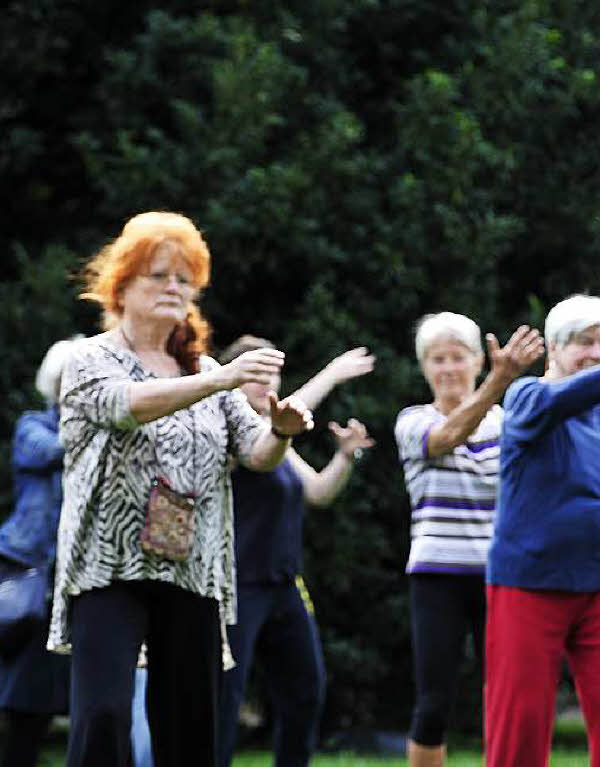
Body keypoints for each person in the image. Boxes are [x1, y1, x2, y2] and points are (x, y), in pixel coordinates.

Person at [48, 211, 313, 767]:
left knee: (190, 729)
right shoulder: (89, 360)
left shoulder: (205, 370)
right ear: (123, 285)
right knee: (103, 717)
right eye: (160, 275)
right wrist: (217, 379)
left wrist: (283, 433)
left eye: (184, 279)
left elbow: (257, 453)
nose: (175, 288)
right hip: (107, 566)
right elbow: (127, 407)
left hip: (192, 568)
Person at [485, 294, 600, 767]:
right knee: (521, 715)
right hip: (527, 582)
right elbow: (551, 404)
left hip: (599, 582)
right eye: (586, 342)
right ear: (554, 350)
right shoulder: (527, 397)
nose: (598, 355)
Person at [218, 335, 375, 767]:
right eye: (257, 375)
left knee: (306, 691)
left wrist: (344, 457)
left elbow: (319, 492)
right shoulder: (227, 435)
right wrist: (330, 375)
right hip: (236, 586)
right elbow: (274, 425)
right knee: (224, 699)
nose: (267, 386)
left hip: (285, 586)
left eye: (274, 376)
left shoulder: (277, 446)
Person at [395, 313, 543, 767]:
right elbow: (446, 437)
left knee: (503, 698)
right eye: (437, 359)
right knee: (433, 701)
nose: (448, 368)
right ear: (425, 368)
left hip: (499, 577)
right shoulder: (412, 421)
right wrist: (498, 383)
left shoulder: (507, 425)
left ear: (477, 360)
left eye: (458, 357)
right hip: (436, 577)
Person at [0, 338, 77, 767]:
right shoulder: (34, 427)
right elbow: (53, 451)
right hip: (30, 573)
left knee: (60, 698)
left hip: (72, 579)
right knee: (23, 697)